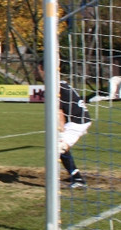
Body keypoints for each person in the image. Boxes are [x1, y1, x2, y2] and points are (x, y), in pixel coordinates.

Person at [37, 61, 91, 189]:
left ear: (43, 70)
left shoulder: (54, 88)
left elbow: (59, 112)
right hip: (79, 120)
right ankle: (75, 176)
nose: (35, 72)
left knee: (58, 147)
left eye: (36, 69)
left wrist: (60, 132)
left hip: (77, 123)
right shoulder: (59, 84)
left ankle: (76, 180)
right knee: (61, 148)